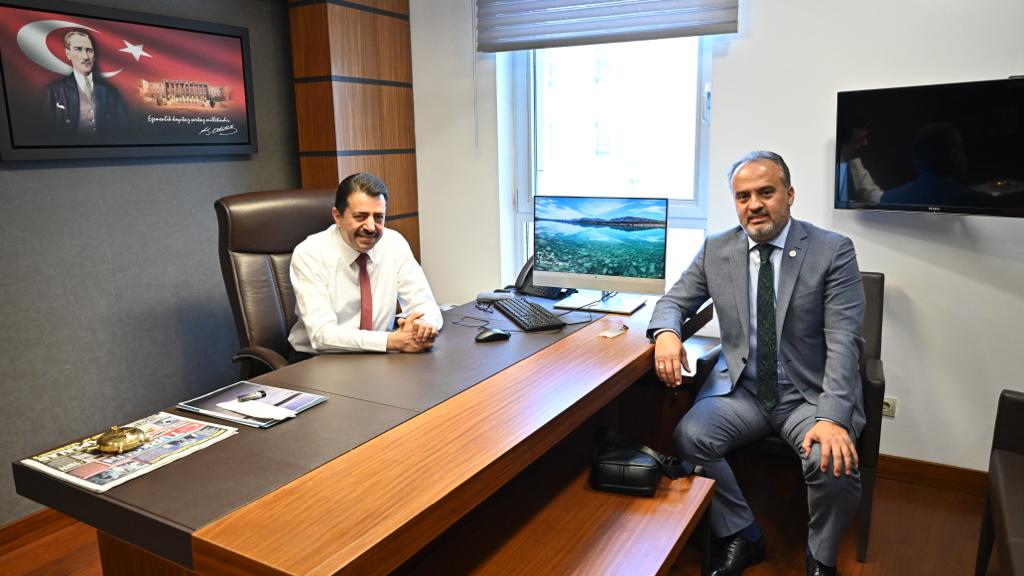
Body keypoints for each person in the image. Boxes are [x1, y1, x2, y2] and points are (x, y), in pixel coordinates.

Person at [648, 151, 864, 576]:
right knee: (690, 436)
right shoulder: (717, 249)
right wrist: (667, 334)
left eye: (766, 192)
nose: (754, 205)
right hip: (742, 390)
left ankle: (820, 558)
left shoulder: (832, 250)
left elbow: (845, 341)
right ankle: (742, 533)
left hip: (807, 395)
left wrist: (833, 418)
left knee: (831, 460)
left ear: (789, 195)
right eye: (743, 196)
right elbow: (673, 302)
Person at [289, 173, 443, 355]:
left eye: (378, 217)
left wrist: (423, 325)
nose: (370, 227)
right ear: (337, 216)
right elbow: (322, 335)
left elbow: (425, 304)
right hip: (319, 359)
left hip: (381, 354)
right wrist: (391, 341)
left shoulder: (394, 243)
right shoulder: (310, 254)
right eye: (360, 216)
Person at [41, 29, 128, 141]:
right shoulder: (54, 91)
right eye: (78, 49)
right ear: (68, 53)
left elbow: (123, 132)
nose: (86, 57)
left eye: (89, 50)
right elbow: (46, 133)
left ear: (94, 56)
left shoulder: (110, 92)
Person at [837, 115, 884, 205]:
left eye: (865, 137)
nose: (866, 143)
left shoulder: (854, 162)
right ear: (843, 143)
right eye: (859, 140)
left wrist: (891, 198)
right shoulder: (831, 166)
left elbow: (870, 193)